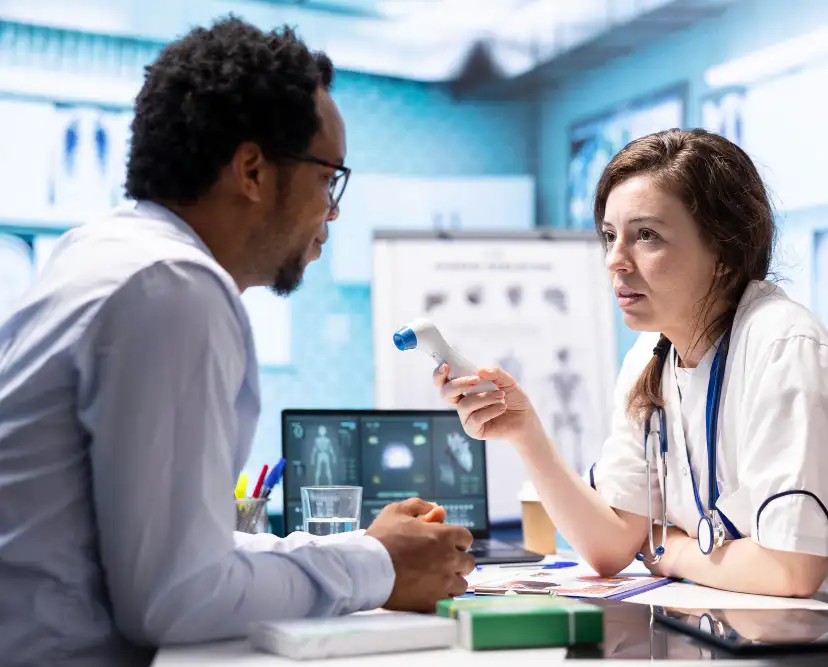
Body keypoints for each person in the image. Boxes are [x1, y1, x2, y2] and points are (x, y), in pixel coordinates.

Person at [0, 17, 473, 667]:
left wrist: (365, 551)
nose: (332, 210)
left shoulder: (108, 253)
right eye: (327, 178)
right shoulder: (172, 288)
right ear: (252, 170)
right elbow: (175, 596)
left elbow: (185, 554)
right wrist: (376, 566)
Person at [434, 128, 828, 622]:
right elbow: (610, 545)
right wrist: (525, 433)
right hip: (727, 634)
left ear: (723, 253)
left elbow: (790, 569)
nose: (615, 261)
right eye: (610, 236)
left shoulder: (785, 348)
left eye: (646, 236)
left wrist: (668, 551)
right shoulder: (650, 357)